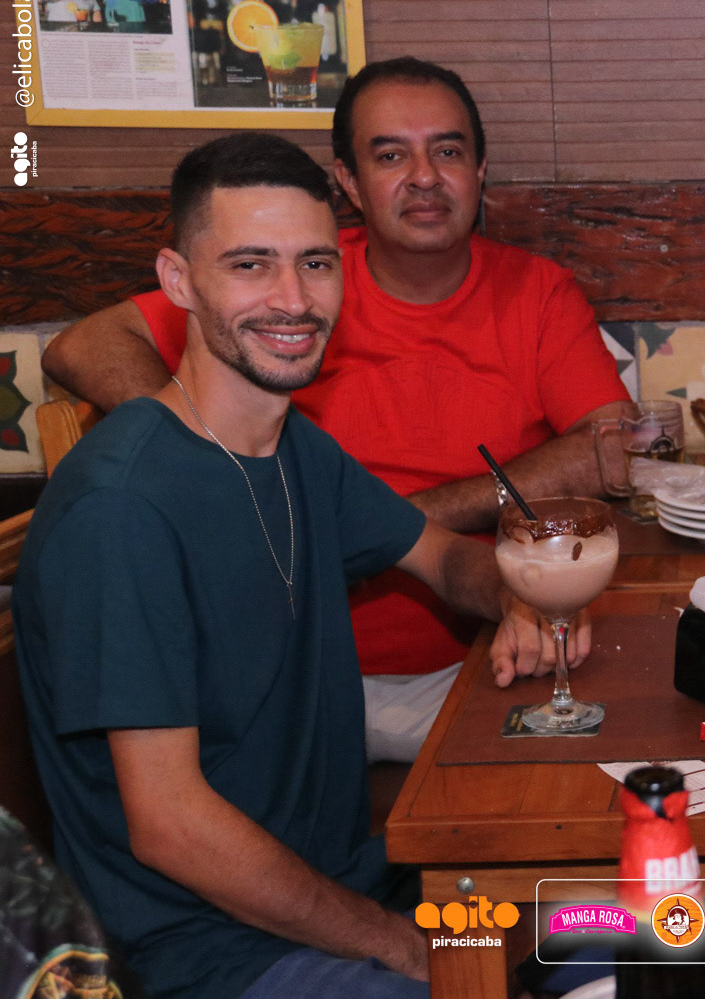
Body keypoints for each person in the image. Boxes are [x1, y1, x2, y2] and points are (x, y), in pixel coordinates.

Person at [15, 133, 551, 999]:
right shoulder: (121, 511)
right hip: (209, 955)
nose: (293, 299)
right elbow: (171, 826)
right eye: (250, 265)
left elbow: (446, 557)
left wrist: (515, 595)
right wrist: (401, 948)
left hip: (343, 885)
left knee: (662, 921)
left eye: (315, 263)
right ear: (178, 280)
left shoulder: (293, 447)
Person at [43, 57, 633, 761]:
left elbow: (614, 446)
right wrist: (204, 453)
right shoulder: (284, 293)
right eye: (391, 155)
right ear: (349, 182)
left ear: (480, 171)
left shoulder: (524, 292)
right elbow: (83, 345)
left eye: (448, 152)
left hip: (473, 658)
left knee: (634, 723)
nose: (424, 177)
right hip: (289, 676)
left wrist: (373, 524)